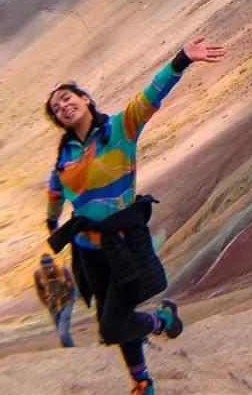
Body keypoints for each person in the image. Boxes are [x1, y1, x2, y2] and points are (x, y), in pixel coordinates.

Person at [44, 39, 221, 395]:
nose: (63, 105)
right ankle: (142, 382)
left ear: (86, 99)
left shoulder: (120, 130)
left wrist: (181, 60)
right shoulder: (65, 154)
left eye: (67, 97)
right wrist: (51, 220)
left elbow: (149, 97)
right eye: (55, 106)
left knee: (111, 328)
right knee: (116, 321)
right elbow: (55, 190)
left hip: (121, 245)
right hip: (87, 252)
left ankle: (161, 319)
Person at [34, 253, 77, 348]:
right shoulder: (38, 275)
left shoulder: (62, 270)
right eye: (44, 268)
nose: (47, 270)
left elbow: (73, 285)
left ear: (53, 265)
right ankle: (68, 351)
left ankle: (73, 349)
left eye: (49, 267)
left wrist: (71, 299)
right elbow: (39, 291)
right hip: (52, 304)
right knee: (60, 329)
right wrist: (47, 303)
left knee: (63, 332)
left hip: (67, 301)